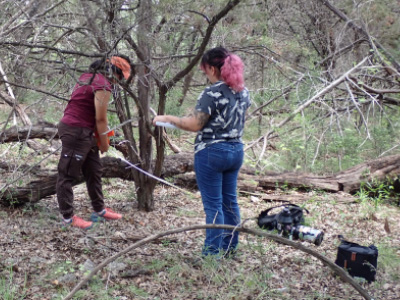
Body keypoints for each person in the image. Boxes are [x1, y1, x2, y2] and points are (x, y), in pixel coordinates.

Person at [153, 47, 251, 256]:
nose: (205, 75)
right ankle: (230, 248)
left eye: (205, 70)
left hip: (212, 153)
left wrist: (167, 119)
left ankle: (211, 255)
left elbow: (195, 124)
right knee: (229, 201)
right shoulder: (243, 91)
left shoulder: (213, 92)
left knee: (214, 205)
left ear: (214, 69)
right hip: (236, 151)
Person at [56, 55, 131, 229]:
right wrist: (104, 143)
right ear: (115, 72)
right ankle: (68, 218)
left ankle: (99, 209)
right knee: (67, 174)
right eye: (120, 77)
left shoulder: (87, 77)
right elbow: (101, 119)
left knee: (94, 169)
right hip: (76, 131)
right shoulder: (103, 85)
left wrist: (98, 137)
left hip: (85, 131)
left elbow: (92, 113)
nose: (120, 82)